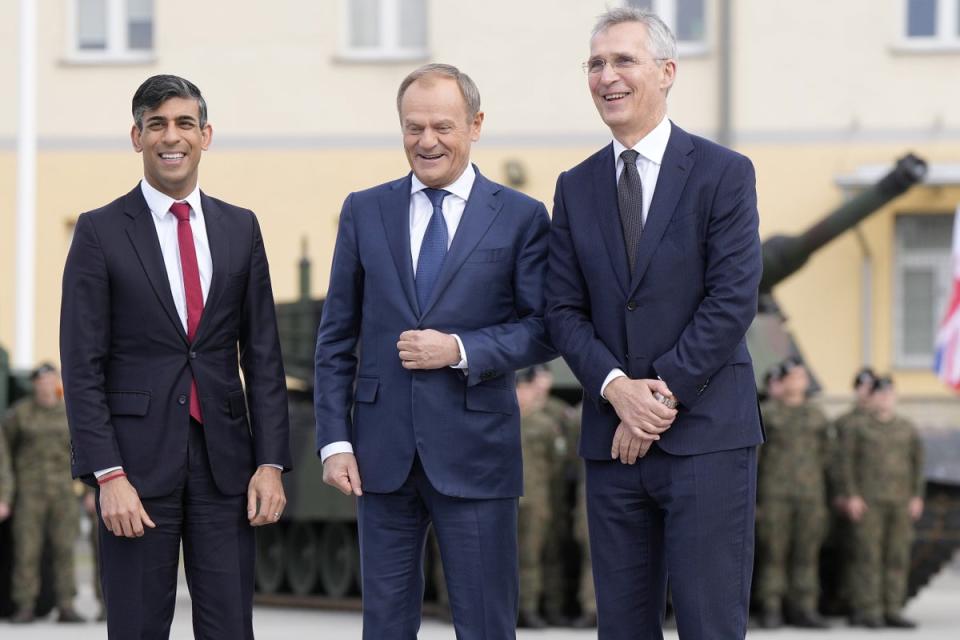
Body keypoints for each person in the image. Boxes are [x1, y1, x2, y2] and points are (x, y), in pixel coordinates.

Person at [545, 8, 764, 639]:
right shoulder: (576, 185)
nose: (606, 76)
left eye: (623, 61)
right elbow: (562, 309)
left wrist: (657, 398)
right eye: (595, 63)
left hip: (705, 440)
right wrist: (617, 390)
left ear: (667, 72)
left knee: (709, 625)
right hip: (612, 445)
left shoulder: (724, 173)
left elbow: (730, 301)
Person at [314, 63, 554, 639]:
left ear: (475, 125)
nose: (427, 141)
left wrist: (460, 348)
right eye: (413, 127)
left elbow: (543, 328)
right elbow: (335, 337)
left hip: (477, 455)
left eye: (442, 126)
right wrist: (334, 441)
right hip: (381, 458)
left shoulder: (521, 217)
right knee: (386, 627)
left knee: (485, 624)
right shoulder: (364, 210)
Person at [60, 74, 291, 638]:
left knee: (231, 628)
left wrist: (271, 462)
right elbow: (81, 365)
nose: (172, 136)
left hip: (226, 469)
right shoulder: (99, 231)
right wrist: (106, 473)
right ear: (136, 136)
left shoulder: (241, 228)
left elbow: (262, 355)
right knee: (138, 628)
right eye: (157, 124)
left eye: (185, 123)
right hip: (135, 474)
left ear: (205, 134)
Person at [2, 363, 84, 624]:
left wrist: (89, 489)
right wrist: (6, 494)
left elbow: (82, 449)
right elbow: (4, 453)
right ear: (35, 384)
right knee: (27, 550)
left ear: (57, 382)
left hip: (63, 491)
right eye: (41, 381)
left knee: (64, 548)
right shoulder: (20, 414)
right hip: (29, 492)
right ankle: (25, 605)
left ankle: (66, 605)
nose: (46, 385)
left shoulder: (69, 412)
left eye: (50, 380)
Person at [840, 376, 924, 629]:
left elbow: (917, 465)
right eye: (880, 393)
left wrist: (917, 496)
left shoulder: (907, 428)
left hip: (900, 502)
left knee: (897, 556)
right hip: (869, 502)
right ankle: (870, 609)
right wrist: (852, 495)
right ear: (872, 397)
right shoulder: (859, 428)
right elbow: (846, 464)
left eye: (890, 393)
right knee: (868, 556)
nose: (885, 398)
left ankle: (893, 608)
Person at [754, 359, 831, 629]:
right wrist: (755, 500)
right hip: (775, 495)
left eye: (802, 376)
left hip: (811, 496)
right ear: (782, 382)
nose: (799, 381)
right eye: (793, 376)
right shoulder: (768, 414)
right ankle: (771, 607)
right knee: (774, 553)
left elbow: (827, 456)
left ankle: (805, 608)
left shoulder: (817, 416)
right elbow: (757, 460)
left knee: (806, 554)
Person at [515, 366, 556, 629]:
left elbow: (558, 462)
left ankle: (526, 609)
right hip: (502, 497)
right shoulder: (503, 417)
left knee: (530, 557)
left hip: (535, 498)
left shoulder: (545, 422)